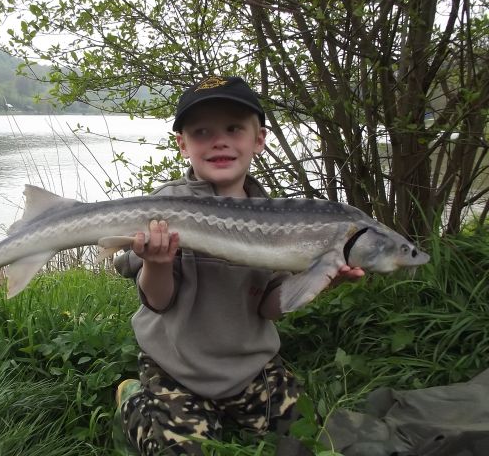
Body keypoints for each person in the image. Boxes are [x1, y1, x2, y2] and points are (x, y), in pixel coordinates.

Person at [113, 76, 364, 455]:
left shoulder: (284, 221)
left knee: (310, 441)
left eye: (234, 128)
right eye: (202, 132)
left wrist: (321, 281)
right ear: (183, 145)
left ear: (258, 139)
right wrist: (157, 264)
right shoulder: (165, 206)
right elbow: (158, 301)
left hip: (251, 367)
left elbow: (267, 307)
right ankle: (134, 398)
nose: (220, 140)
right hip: (176, 367)